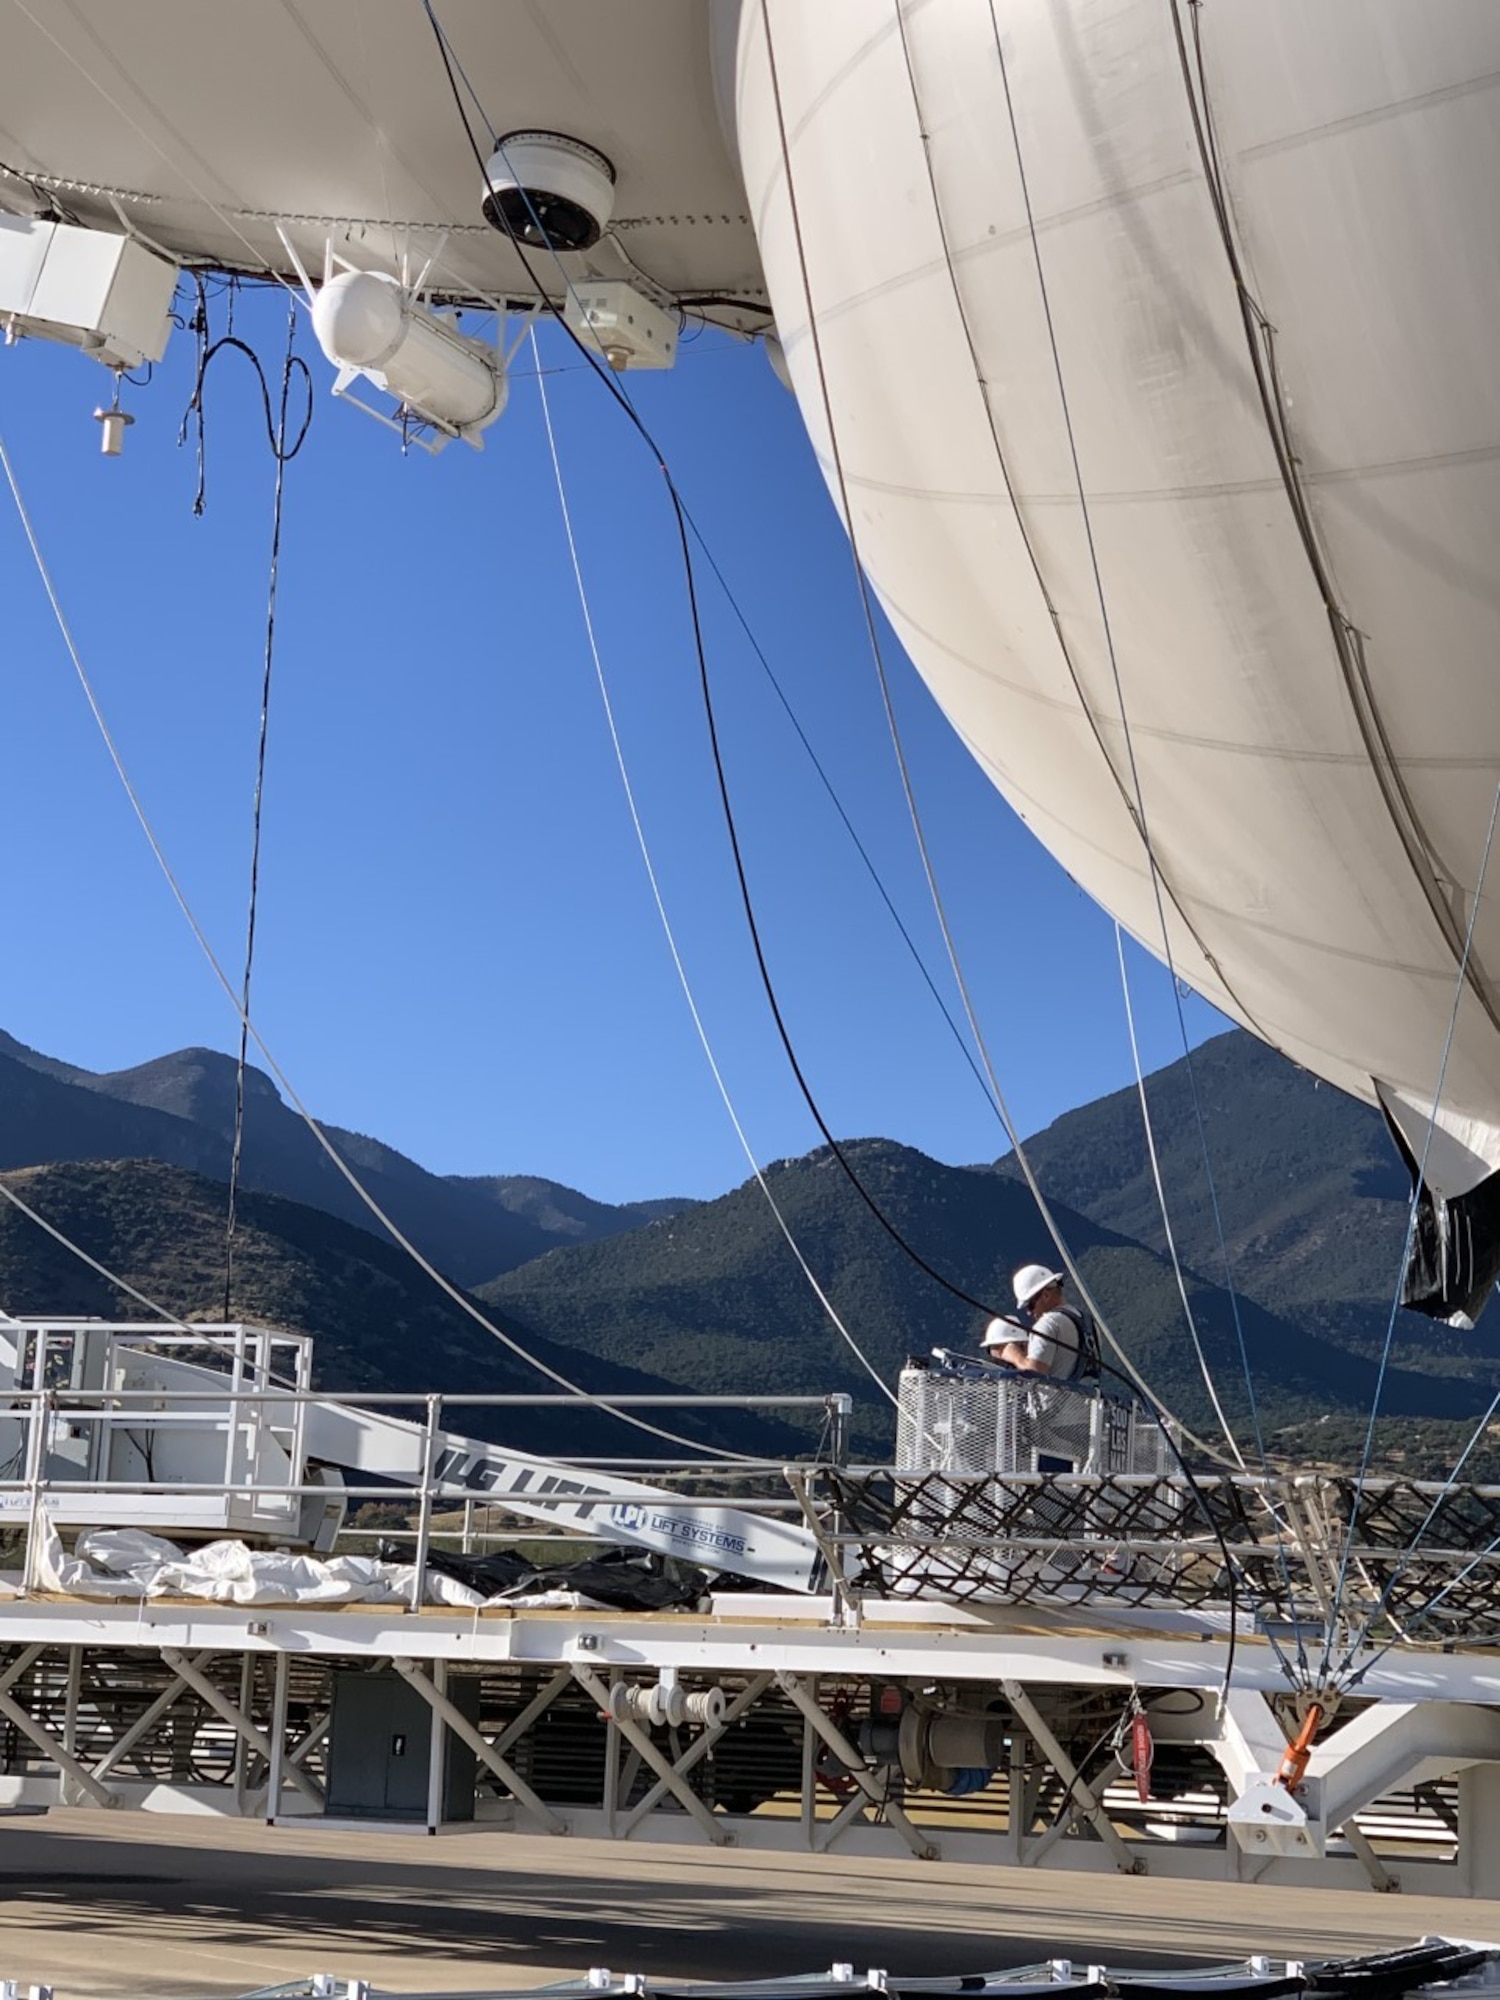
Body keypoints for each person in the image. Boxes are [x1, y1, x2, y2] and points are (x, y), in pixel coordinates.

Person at [980, 1264, 1082, 1380]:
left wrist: (1015, 1355)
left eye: (1030, 1305)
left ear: (1046, 1295)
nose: (1029, 1313)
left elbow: (1034, 1373)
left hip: (1059, 1398)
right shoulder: (1086, 1321)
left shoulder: (1047, 1324)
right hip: (1088, 1395)